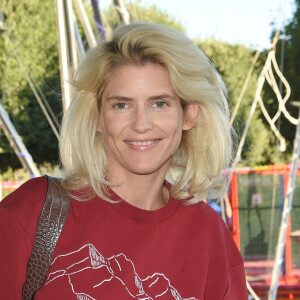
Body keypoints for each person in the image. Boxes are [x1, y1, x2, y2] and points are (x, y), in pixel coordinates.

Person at [0, 22, 248, 299]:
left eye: (159, 103)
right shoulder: (32, 212)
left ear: (189, 115)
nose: (141, 124)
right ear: (96, 117)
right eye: (122, 105)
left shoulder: (209, 237)